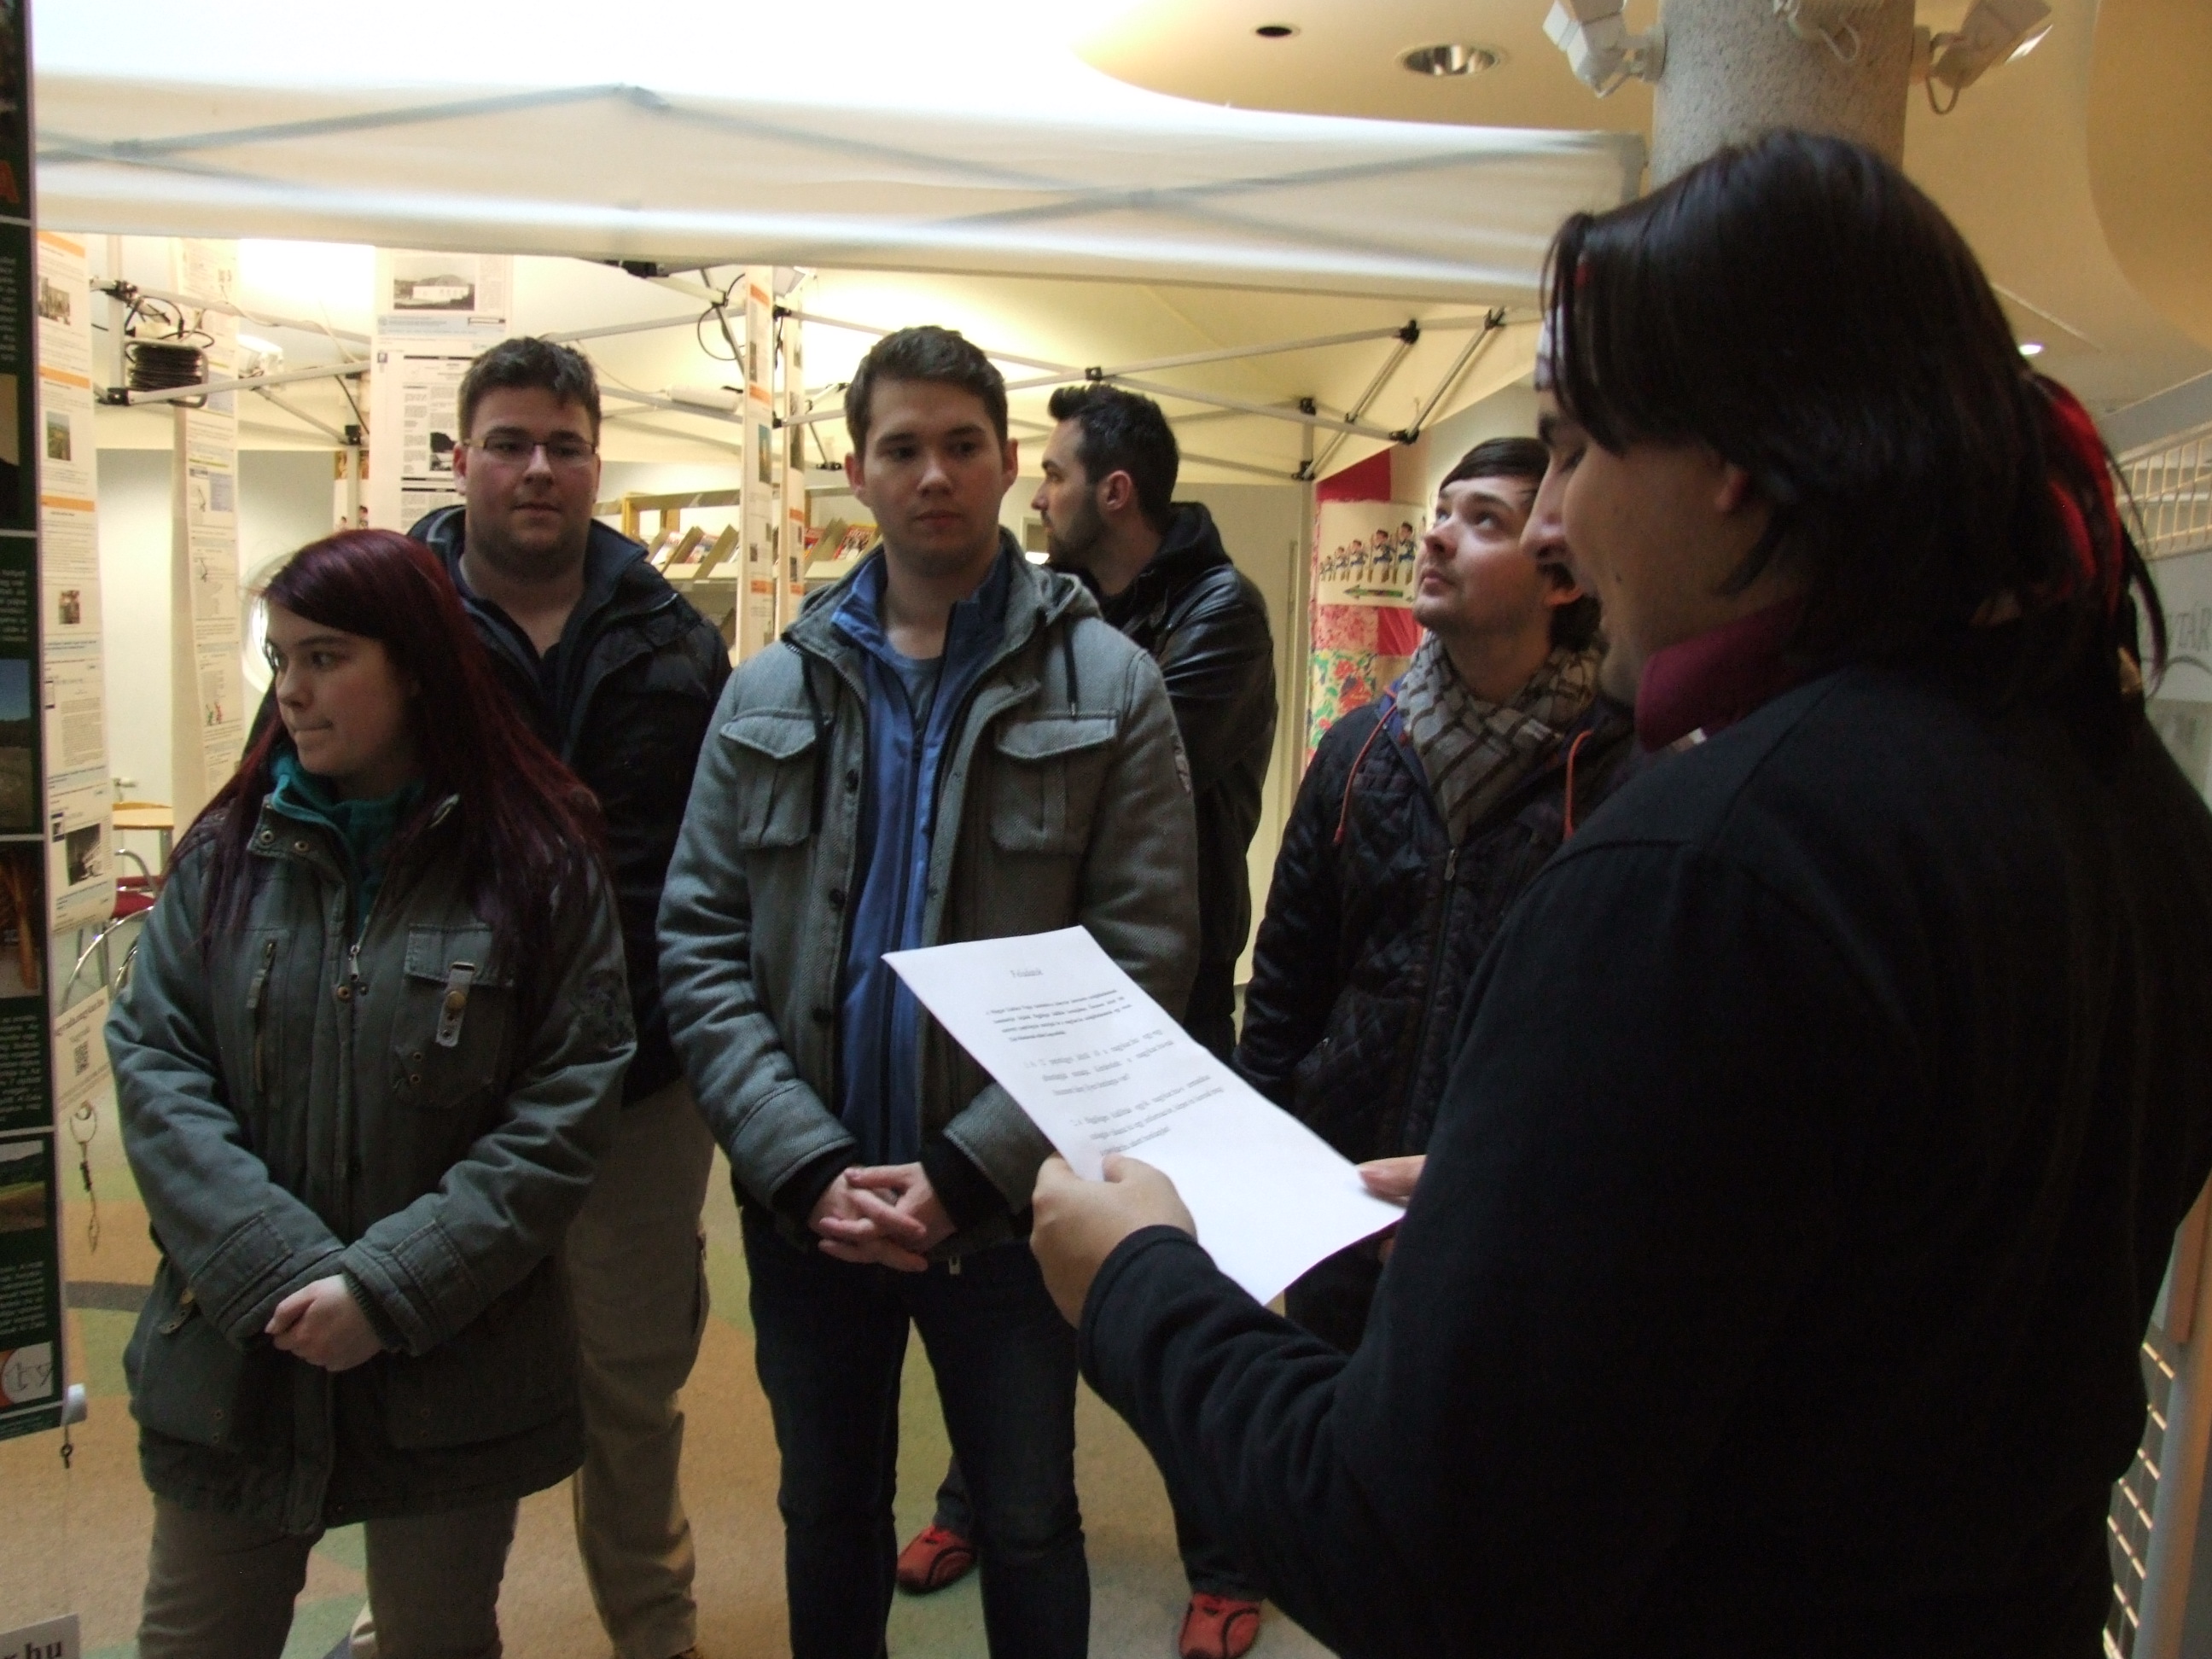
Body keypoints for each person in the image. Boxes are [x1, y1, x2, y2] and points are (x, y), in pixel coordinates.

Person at [1030, 131, 2212, 1656]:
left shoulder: (1702, 869)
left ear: (1737, 456)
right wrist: (1562, 1201)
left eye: (1577, 446)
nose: (1551, 525)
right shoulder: (2131, 799)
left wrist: (1136, 1278)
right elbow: (1888, 1284)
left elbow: (1415, 1545)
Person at [658, 324, 1197, 1659]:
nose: (935, 474)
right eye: (902, 448)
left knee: (1027, 1517)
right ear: (856, 472)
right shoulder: (767, 689)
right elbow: (700, 944)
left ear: (1009, 463)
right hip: (813, 1217)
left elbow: (1144, 957)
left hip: (1012, 1219)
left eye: (963, 445)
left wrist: (968, 1171)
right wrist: (801, 1163)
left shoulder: (1112, 687)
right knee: (827, 1508)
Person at [109, 529, 632, 1659]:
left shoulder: (535, 865)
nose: (291, 692)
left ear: (417, 667)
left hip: (450, 1367)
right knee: (195, 1637)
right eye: (281, 659)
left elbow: (563, 1111)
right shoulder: (225, 857)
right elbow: (157, 1070)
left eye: (325, 658)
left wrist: (388, 1290)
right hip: (239, 1356)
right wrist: (279, 1272)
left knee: (436, 1635)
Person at [899, 383, 1277, 1659]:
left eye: (1050, 473)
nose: (1034, 492)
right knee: (1007, 1272)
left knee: (1170, 1278)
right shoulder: (1056, 608)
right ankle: (973, 1496)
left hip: (1161, 1006)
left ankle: (1225, 1554)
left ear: (1113, 493)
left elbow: (1123, 761)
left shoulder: (1220, 613)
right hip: (1028, 1004)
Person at [412, 337, 730, 1659]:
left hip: (635, 1085)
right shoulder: (392, 623)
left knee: (631, 1383)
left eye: (565, 445)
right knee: (437, 1361)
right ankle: (423, 1622)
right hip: (437, 1083)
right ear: (461, 459)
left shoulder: (677, 639)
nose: (537, 469)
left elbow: (720, 858)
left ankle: (654, 1633)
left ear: (598, 462)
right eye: (509, 443)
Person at [1237, 436, 1632, 1355]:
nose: (1439, 538)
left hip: (1510, 1225)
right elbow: (1287, 986)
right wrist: (1261, 1167)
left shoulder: (1624, 771)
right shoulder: (1359, 751)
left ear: (1561, 576)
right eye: (1441, 513)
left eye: (1484, 521)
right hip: (1340, 1200)